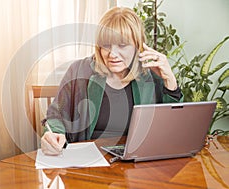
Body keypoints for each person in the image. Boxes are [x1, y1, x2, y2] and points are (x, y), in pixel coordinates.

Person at [40, 7, 183, 155]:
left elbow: (173, 128)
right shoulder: (78, 70)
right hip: (87, 162)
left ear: (138, 46)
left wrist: (170, 81)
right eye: (106, 45)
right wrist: (53, 134)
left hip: (137, 164)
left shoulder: (151, 74)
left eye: (122, 45)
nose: (112, 54)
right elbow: (56, 114)